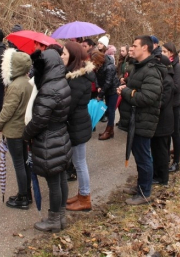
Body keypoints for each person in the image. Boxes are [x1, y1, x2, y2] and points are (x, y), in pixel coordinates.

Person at [23, 48, 72, 232]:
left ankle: (53, 220)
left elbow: (39, 120)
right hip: (60, 135)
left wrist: (26, 134)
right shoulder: (61, 82)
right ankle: (60, 217)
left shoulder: (49, 89)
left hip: (48, 139)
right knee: (60, 179)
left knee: (54, 182)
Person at [118, 35, 165, 205]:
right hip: (135, 119)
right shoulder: (139, 67)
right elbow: (136, 88)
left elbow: (148, 97)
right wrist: (126, 86)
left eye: (135, 45)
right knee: (140, 155)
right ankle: (140, 186)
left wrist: (125, 92)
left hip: (144, 120)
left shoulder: (151, 70)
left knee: (144, 156)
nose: (132, 48)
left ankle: (145, 193)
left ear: (145, 48)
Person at [0, 48, 33, 209]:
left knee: (19, 163)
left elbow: (8, 109)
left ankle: (23, 197)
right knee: (24, 162)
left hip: (14, 130)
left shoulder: (16, 86)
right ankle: (27, 193)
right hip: (24, 129)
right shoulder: (28, 82)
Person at [61, 42, 95, 211]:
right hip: (78, 123)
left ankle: (85, 197)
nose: (61, 56)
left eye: (64, 54)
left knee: (80, 163)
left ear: (73, 57)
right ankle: (82, 194)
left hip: (76, 125)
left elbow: (68, 106)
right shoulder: (74, 76)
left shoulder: (76, 81)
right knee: (78, 161)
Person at [151, 54, 175, 185]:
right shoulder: (162, 78)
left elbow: (163, 102)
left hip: (163, 122)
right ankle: (156, 174)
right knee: (156, 150)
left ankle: (162, 178)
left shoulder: (167, 80)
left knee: (161, 151)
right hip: (159, 121)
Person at [91, 51, 120, 140]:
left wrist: (100, 95)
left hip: (112, 90)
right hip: (106, 89)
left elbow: (108, 82)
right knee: (108, 109)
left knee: (111, 110)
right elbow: (95, 77)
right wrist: (98, 86)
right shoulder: (99, 65)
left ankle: (109, 131)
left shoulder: (110, 67)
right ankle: (110, 130)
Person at [161, 42, 180, 160]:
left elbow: (176, 87)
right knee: (166, 133)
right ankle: (166, 158)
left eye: (164, 51)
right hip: (165, 104)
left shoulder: (177, 67)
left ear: (171, 53)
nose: (162, 53)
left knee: (175, 133)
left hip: (174, 104)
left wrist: (164, 84)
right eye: (161, 51)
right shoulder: (163, 65)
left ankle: (177, 161)